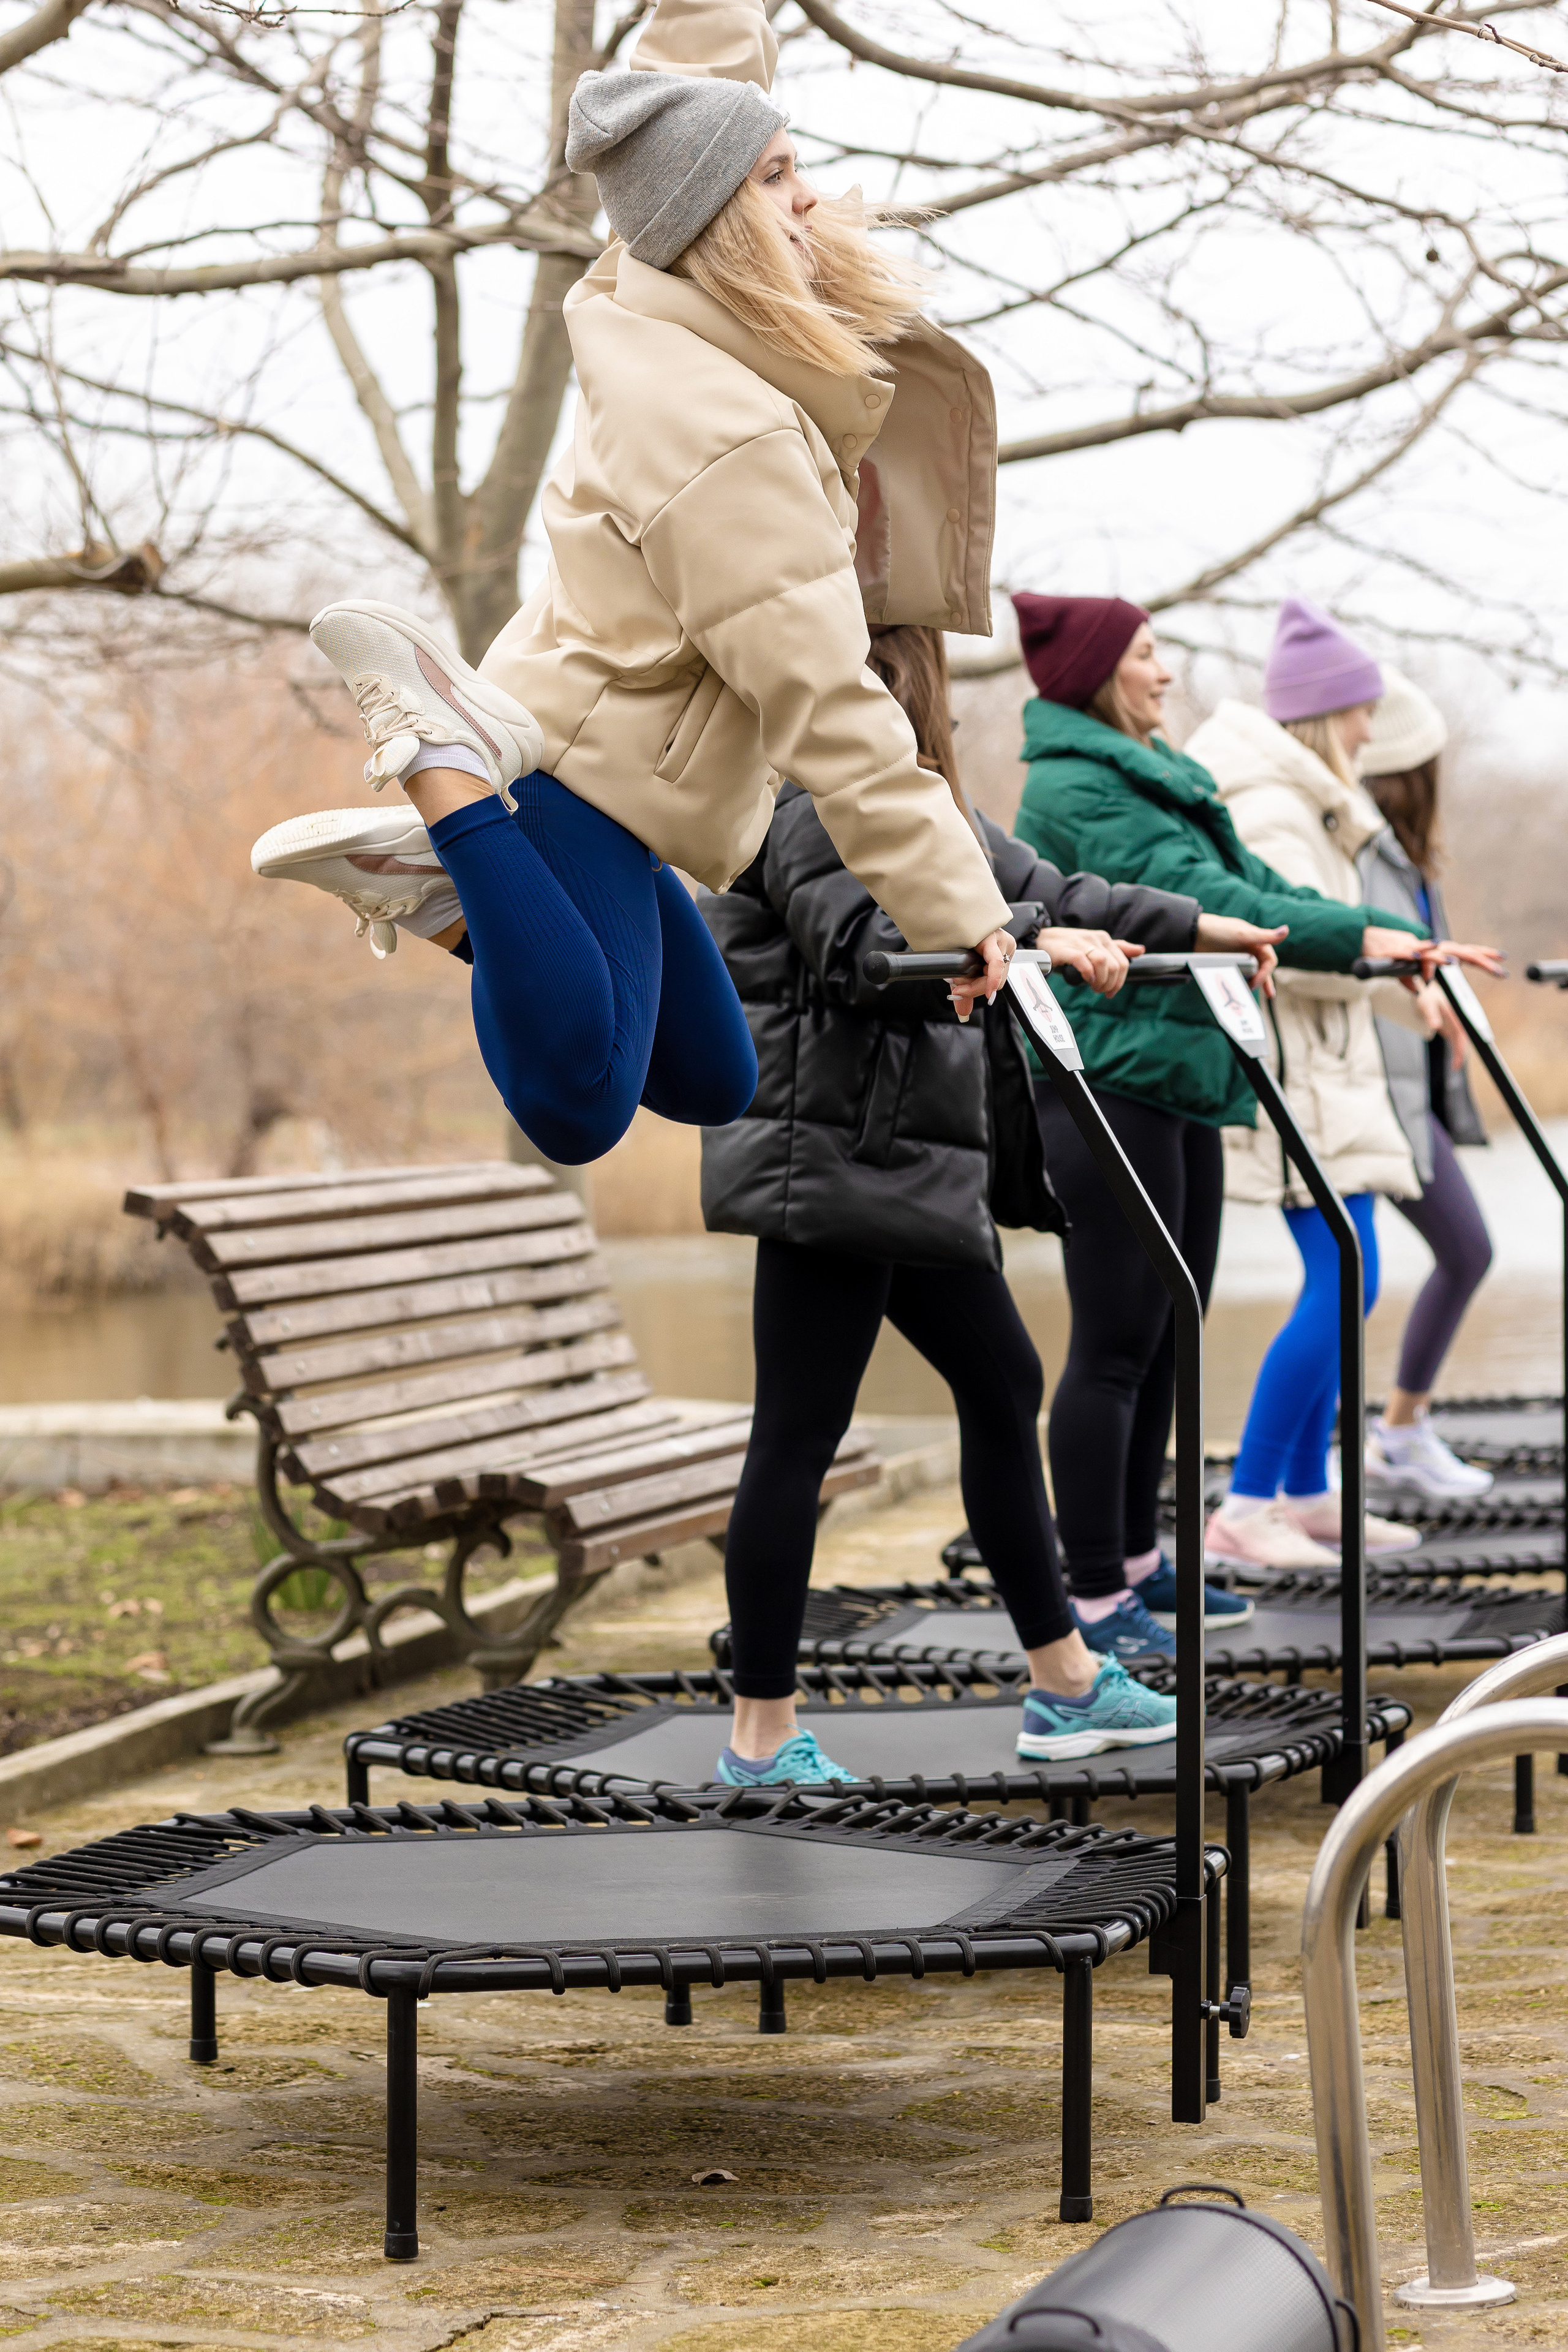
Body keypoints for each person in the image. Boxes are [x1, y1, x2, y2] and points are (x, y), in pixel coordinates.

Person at [250, 0, 1017, 1166]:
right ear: (720, 223)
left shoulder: (663, 284)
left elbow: (683, 91)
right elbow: (828, 705)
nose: (807, 195)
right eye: (777, 178)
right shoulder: (721, 434)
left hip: (647, 787)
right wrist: (960, 908)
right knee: (579, 1104)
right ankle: (448, 774)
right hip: (576, 769)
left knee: (714, 1079)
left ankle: (464, 890)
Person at [701, 622, 1280, 1786]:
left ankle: (1065, 1682)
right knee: (798, 1435)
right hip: (831, 1161)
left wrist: (1202, 931)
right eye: (937, 709)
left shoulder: (926, 818)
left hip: (902, 1166)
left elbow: (1048, 889)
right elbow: (864, 952)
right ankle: (761, 1735)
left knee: (1003, 1381)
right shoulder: (816, 800)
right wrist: (1022, 940)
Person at [1008, 592, 1442, 1614]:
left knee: (1172, 1331)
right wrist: (1370, 942)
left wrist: (1381, 938)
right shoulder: (1078, 787)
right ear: (1099, 674)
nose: (1166, 674)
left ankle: (1143, 1568)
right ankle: (1096, 1595)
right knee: (1114, 1345)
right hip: (1107, 1080)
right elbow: (1206, 897)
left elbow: (1244, 882)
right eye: (1149, 656)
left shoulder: (1161, 776)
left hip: (1183, 1076)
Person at [1185, 601, 1503, 1568]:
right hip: (1302, 1076)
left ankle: (1309, 1492)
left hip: (1330, 1069)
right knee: (1340, 1275)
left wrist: (1413, 999)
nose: (1373, 732)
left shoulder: (1307, 799)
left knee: (1348, 1270)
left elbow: (1338, 949)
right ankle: (1247, 1505)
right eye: (1364, 711)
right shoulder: (1276, 808)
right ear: (1326, 714)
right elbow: (1294, 947)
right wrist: (1399, 973)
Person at [1357, 669, 1494, 1502]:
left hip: (1412, 1093)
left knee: (1448, 1254)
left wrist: (1457, 1028)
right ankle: (1390, 1435)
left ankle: (1397, 1432)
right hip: (1376, 1094)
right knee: (1459, 1249)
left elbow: (1428, 957)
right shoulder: (1367, 851)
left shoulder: (1410, 863)